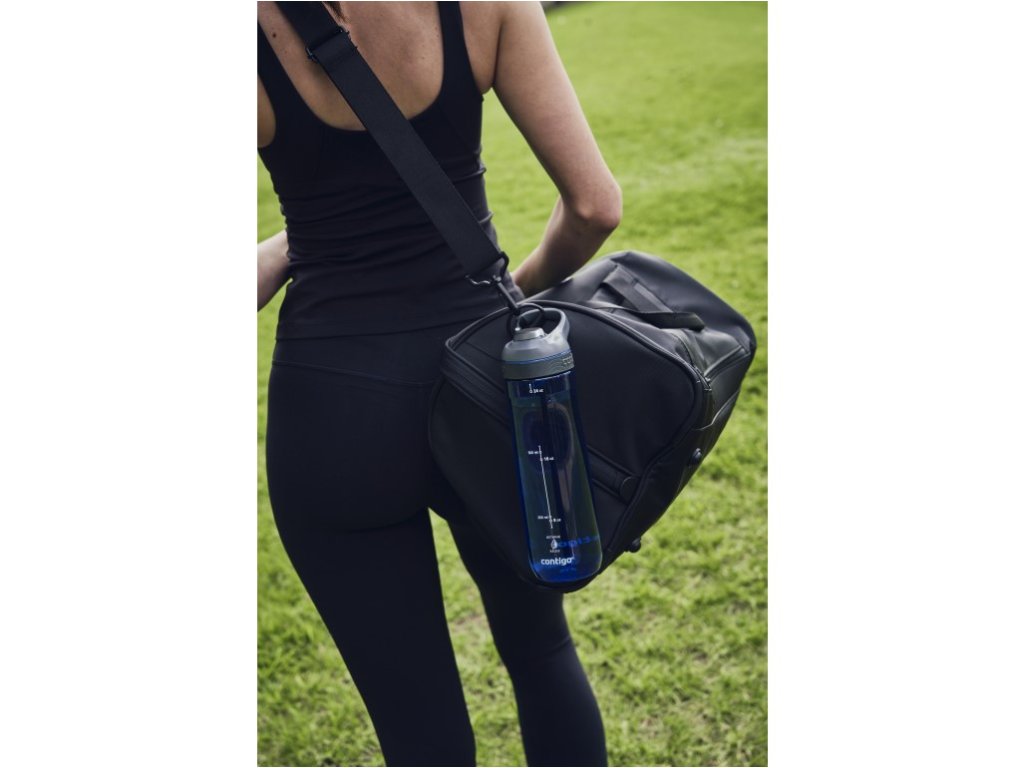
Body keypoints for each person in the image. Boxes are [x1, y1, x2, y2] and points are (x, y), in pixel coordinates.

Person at [257, 2, 621, 765]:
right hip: (489, 389)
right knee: (542, 653)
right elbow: (594, 207)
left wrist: (314, 233)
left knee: (415, 728)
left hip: (332, 410)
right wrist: (506, 304)